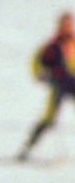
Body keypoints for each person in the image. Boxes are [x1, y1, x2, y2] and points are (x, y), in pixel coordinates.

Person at [18, 11, 75, 160]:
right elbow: (36, 62)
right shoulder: (51, 47)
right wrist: (39, 74)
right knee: (49, 118)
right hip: (58, 85)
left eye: (69, 24)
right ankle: (28, 147)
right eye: (64, 25)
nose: (67, 28)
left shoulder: (73, 44)